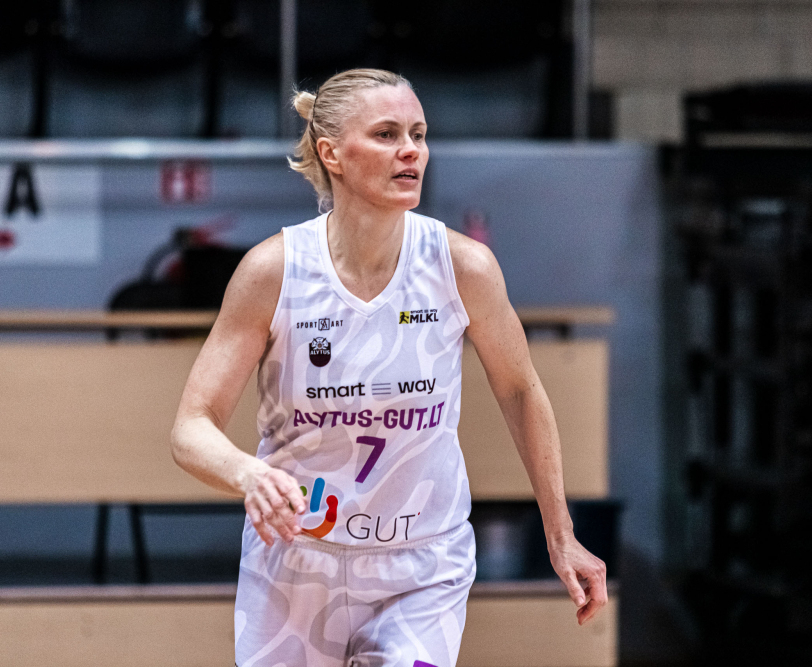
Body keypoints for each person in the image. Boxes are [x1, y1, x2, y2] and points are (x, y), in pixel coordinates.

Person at [171, 68, 607, 667]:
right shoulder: (273, 271)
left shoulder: (464, 268)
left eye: (419, 134)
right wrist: (249, 475)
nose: (411, 150)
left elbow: (520, 390)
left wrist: (561, 533)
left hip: (422, 566)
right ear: (332, 154)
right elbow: (191, 426)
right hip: (295, 564)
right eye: (386, 134)